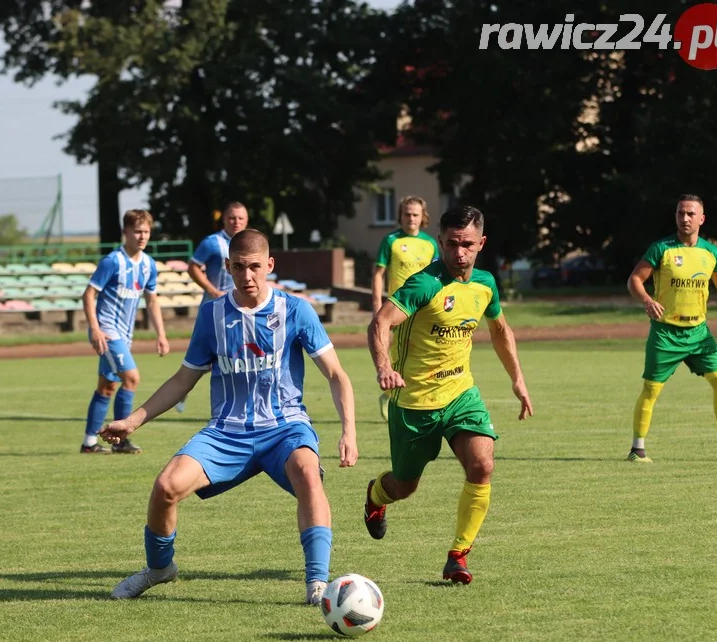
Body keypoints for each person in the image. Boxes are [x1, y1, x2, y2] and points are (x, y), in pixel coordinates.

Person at [100, 228, 357, 604]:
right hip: (226, 433)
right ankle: (160, 568)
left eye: (255, 266)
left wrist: (348, 431)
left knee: (307, 475)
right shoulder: (213, 315)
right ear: (228, 267)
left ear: (269, 264)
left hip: (284, 427)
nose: (247, 276)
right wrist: (133, 420)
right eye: (239, 267)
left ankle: (317, 585)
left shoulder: (296, 310)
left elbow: (337, 375)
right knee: (165, 488)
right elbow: (183, 379)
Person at [365, 205, 532, 585]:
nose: (459, 253)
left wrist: (518, 378)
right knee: (404, 486)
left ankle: (458, 555)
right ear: (439, 242)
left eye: (467, 244)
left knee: (483, 466)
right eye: (452, 244)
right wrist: (383, 368)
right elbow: (381, 322)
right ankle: (376, 497)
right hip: (415, 402)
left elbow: (501, 331)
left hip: (461, 394)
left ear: (481, 244)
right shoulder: (424, 284)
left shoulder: (486, 284)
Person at [626, 194, 717, 463]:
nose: (685, 218)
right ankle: (637, 450)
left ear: (701, 219)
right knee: (651, 389)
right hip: (665, 333)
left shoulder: (711, 252)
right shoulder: (661, 249)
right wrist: (647, 300)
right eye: (680, 213)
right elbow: (634, 280)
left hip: (698, 333)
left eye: (690, 214)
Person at [80, 209, 169, 454]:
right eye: (137, 231)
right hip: (107, 332)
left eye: (146, 232)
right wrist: (95, 329)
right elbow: (88, 294)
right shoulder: (113, 261)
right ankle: (121, 439)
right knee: (132, 378)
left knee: (107, 386)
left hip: (124, 335)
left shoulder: (149, 265)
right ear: (125, 232)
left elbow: (152, 300)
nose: (142, 236)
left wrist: (160, 334)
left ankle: (89, 443)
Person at [176, 201, 250, 413]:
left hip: (242, 308)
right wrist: (212, 290)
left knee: (240, 354)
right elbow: (193, 267)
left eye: (241, 218)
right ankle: (182, 388)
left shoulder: (249, 242)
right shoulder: (212, 243)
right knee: (206, 357)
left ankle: (240, 404)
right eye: (232, 218)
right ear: (224, 219)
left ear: (246, 220)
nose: (236, 222)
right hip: (215, 308)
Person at [371, 196, 440, 420]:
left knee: (425, 354)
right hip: (397, 308)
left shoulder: (430, 244)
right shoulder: (390, 240)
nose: (411, 218)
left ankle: (421, 398)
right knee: (396, 354)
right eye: (407, 214)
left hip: (423, 309)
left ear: (423, 217)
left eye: (415, 214)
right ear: (400, 216)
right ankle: (391, 395)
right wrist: (377, 304)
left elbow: (437, 276)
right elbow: (378, 274)